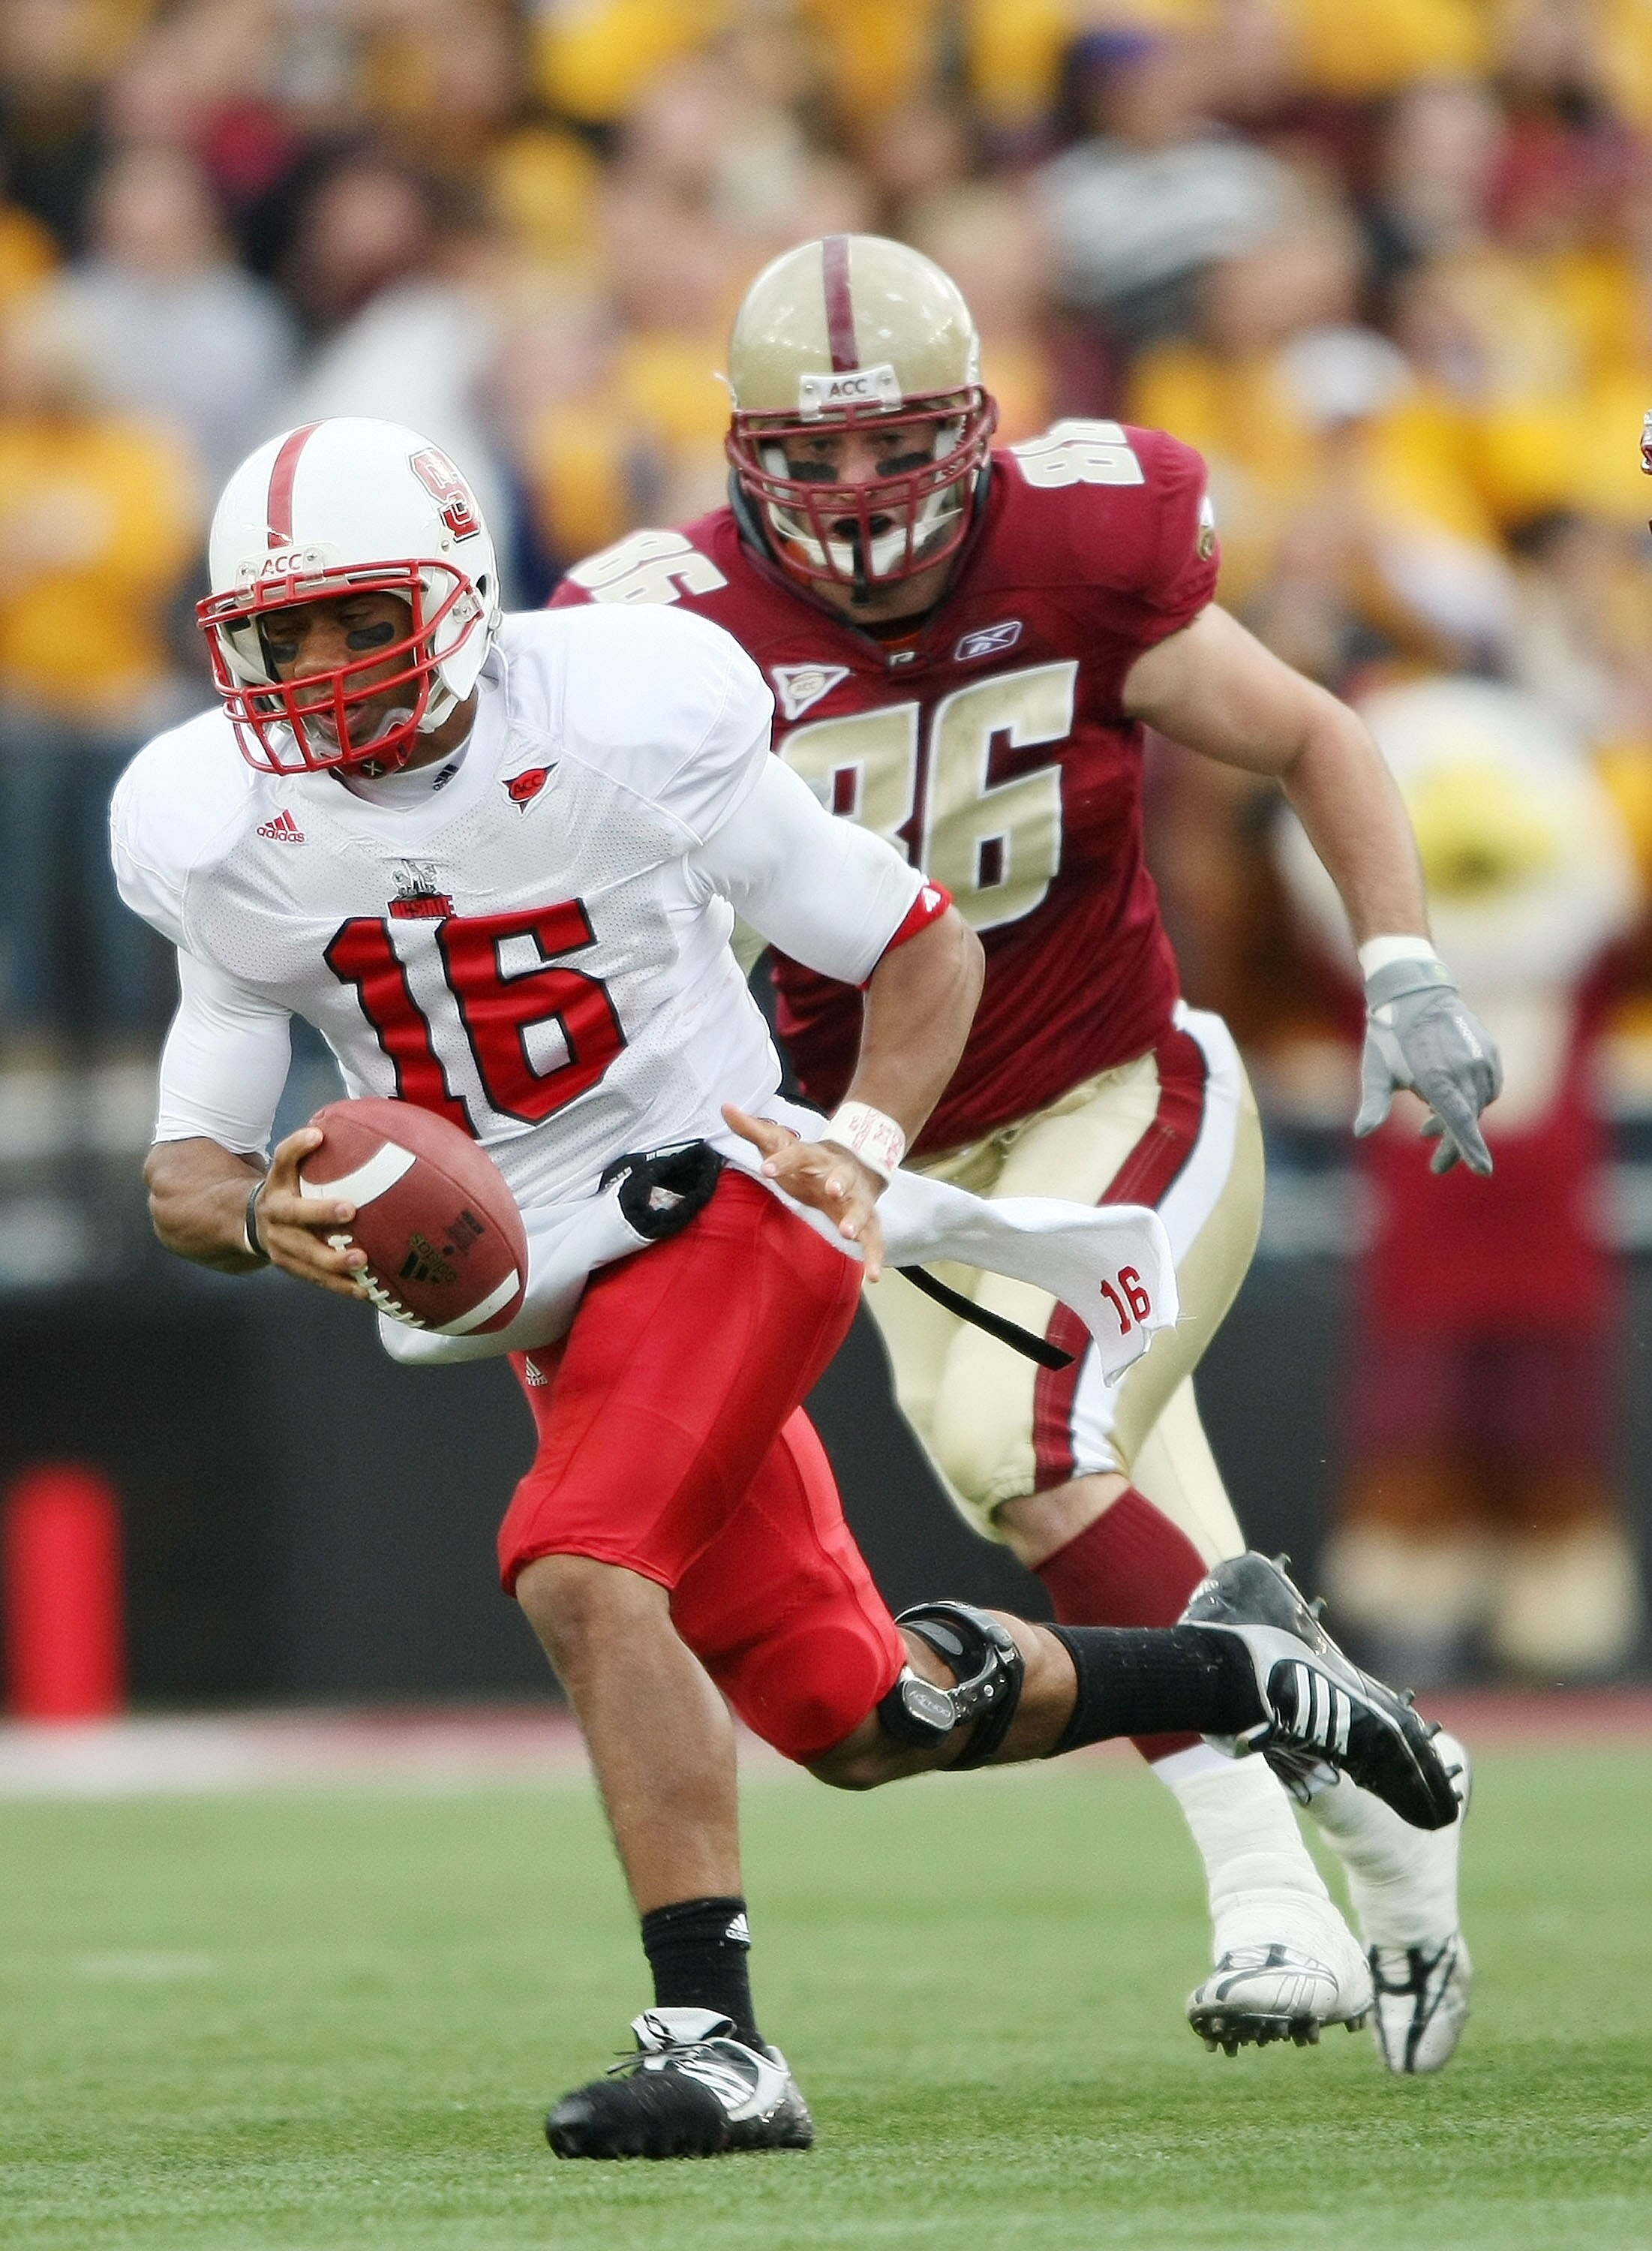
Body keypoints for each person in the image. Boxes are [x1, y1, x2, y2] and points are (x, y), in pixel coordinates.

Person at [110, 416, 1459, 2157]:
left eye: (349, 620)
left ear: (453, 596)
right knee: (866, 1713)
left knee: (582, 1563)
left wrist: (868, 1147)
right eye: (274, 637)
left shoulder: (626, 718)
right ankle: (1250, 1676)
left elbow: (916, 946)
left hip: (722, 1202)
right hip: (547, 1293)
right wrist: (254, 1220)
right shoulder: (219, 828)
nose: (310, 671)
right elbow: (185, 1168)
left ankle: (717, 2045)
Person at [551, 235, 1502, 2074]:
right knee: (1107, 1514)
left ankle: (1339, 1821)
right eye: (807, 456)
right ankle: (1317, 1874)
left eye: (891, 444)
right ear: (740, 453)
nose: (850, 491)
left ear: (977, 429)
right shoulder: (661, 636)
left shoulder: (1088, 538)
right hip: (878, 1163)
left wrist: (1401, 961)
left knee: (1036, 1445)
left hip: (1113, 1088)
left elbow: (1309, 732)